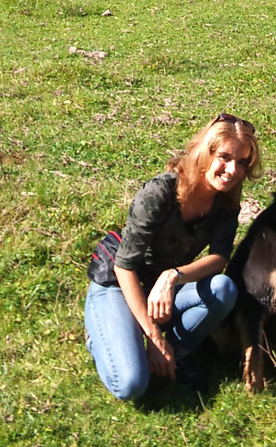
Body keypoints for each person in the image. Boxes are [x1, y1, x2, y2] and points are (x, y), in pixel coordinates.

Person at [84, 113, 261, 399]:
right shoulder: (160, 192)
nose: (233, 170)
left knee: (223, 289)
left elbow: (219, 257)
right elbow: (124, 265)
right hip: (119, 282)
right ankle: (100, 337)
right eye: (225, 157)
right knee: (130, 384)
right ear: (206, 152)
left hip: (160, 288)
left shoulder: (226, 199)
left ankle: (177, 352)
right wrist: (153, 337)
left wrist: (173, 277)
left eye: (242, 162)